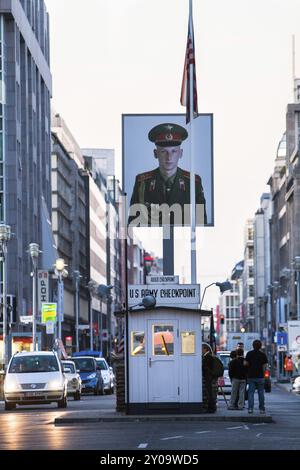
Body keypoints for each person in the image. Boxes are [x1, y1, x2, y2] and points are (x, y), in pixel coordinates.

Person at [128, 123, 207, 226]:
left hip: (183, 241)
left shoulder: (193, 182)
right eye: (163, 151)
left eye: (174, 151)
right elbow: (133, 225)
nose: (169, 157)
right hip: (152, 241)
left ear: (181, 153)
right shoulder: (143, 182)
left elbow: (201, 225)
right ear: (155, 154)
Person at [244, 340, 268, 414]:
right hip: (260, 376)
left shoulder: (249, 354)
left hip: (251, 376)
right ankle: (262, 409)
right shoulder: (263, 355)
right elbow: (264, 367)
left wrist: (249, 368)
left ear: (253, 345)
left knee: (251, 393)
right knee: (261, 393)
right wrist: (263, 374)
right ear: (260, 346)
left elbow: (245, 364)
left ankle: (250, 409)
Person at [202, 343, 216, 413]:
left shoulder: (207, 357)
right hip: (209, 376)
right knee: (209, 392)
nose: (201, 350)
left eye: (202, 348)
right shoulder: (208, 356)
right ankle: (211, 407)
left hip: (208, 376)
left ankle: (211, 408)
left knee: (209, 393)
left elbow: (206, 367)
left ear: (205, 349)